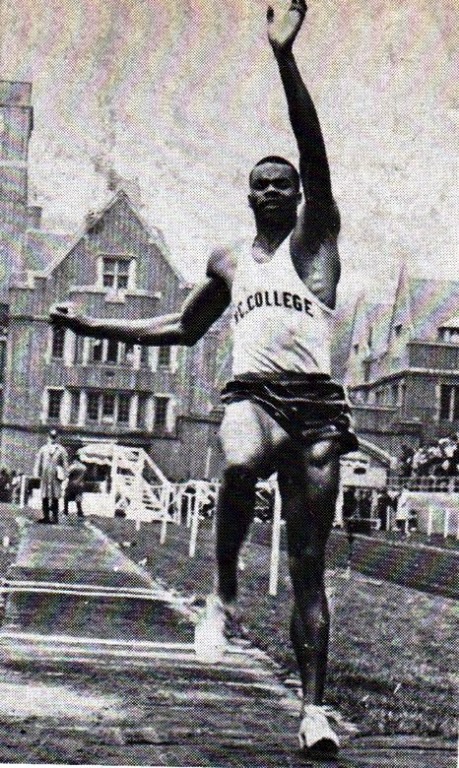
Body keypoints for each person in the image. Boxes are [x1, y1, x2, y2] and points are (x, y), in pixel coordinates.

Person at [50, 0, 358, 756]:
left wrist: (284, 57)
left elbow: (313, 151)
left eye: (284, 184)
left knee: (308, 566)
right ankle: (219, 594)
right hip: (255, 393)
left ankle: (313, 711)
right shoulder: (228, 261)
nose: (274, 191)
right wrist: (93, 327)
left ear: (298, 197)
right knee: (237, 458)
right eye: (261, 183)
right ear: (247, 193)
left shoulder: (315, 246)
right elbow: (183, 329)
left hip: (316, 406)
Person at [34, 429, 69, 524]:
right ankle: (46, 517)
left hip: (55, 476)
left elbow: (65, 464)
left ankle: (55, 517)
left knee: (55, 497)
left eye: (54, 437)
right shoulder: (43, 449)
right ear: (48, 437)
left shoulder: (61, 450)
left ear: (57, 437)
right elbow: (38, 462)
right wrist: (37, 474)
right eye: (51, 436)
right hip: (45, 476)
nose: (52, 438)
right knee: (44, 496)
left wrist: (66, 476)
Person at [63, 448, 87, 518]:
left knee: (66, 497)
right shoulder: (84, 467)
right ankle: (80, 512)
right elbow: (85, 477)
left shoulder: (73, 466)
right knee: (78, 499)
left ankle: (66, 511)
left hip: (72, 484)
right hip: (80, 485)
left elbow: (66, 474)